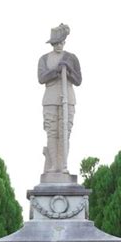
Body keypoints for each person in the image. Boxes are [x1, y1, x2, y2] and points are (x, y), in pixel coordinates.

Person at [38, 24, 82, 173]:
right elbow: (41, 77)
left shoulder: (71, 58)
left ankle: (63, 165)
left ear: (64, 42)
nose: (58, 45)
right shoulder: (44, 59)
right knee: (52, 132)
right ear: (52, 44)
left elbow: (79, 80)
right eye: (55, 43)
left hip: (67, 98)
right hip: (50, 99)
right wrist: (56, 71)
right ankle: (53, 166)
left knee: (65, 132)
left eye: (61, 42)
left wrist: (68, 70)